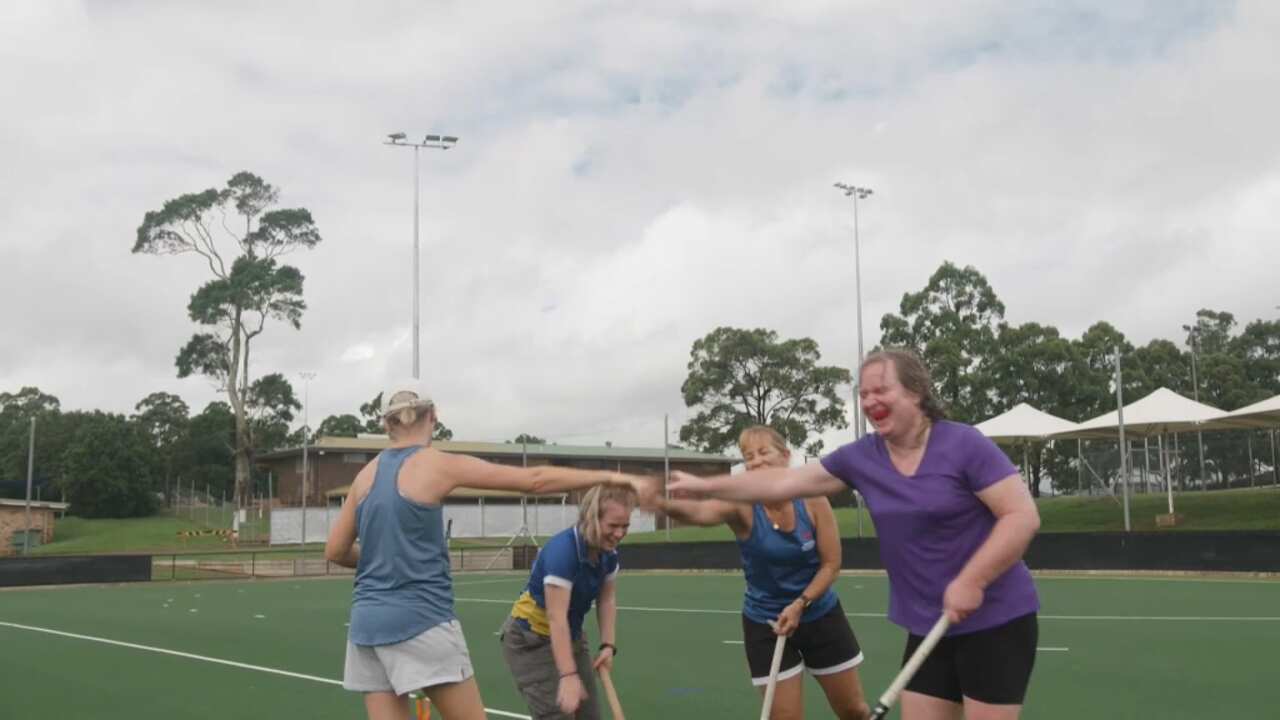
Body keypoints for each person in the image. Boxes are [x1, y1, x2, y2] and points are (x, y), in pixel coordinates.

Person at [668, 350, 1041, 720]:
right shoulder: (863, 457)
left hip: (996, 620)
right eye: (863, 394)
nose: (869, 401)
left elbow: (1021, 515)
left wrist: (973, 580)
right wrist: (707, 485)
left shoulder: (964, 444)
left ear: (915, 392)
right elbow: (783, 482)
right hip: (929, 624)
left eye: (881, 390)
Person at [325, 384, 656, 720]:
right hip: (422, 621)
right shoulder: (436, 464)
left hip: (366, 627)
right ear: (434, 416)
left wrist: (385, 560)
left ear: (386, 424)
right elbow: (534, 481)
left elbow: (335, 550)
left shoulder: (364, 477)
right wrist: (609, 476)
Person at [654, 425, 870, 720]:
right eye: (748, 456)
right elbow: (701, 513)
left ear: (785, 456)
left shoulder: (814, 500)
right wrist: (661, 501)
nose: (755, 461)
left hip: (819, 615)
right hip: (765, 622)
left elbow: (831, 565)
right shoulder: (742, 506)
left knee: (854, 710)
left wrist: (800, 604)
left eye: (763, 452)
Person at [500, 483, 636, 719]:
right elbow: (556, 617)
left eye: (625, 526)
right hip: (532, 639)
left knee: (589, 715)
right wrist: (568, 675)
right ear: (591, 519)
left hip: (570, 635)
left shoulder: (609, 554)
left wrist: (608, 645)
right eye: (613, 526)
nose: (619, 533)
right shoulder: (563, 552)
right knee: (559, 715)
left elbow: (606, 599)